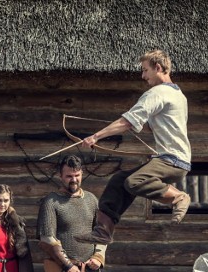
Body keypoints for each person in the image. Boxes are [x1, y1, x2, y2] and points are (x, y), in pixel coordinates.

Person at [76, 49, 191, 245]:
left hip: (172, 160)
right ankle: (103, 231)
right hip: (171, 159)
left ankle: (178, 197)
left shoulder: (158, 92)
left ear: (158, 68)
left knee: (133, 181)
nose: (143, 76)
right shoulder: (177, 94)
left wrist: (96, 136)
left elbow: (127, 122)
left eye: (145, 70)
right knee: (119, 180)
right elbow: (154, 123)